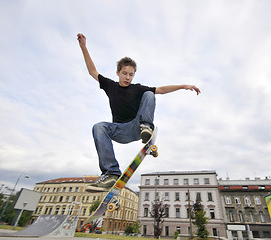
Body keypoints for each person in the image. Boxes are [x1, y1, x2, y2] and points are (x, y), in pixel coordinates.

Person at [77, 33, 201, 192]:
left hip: (138, 127)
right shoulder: (110, 86)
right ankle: (111, 173)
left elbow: (161, 90)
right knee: (98, 127)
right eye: (124, 73)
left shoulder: (137, 89)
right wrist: (83, 47)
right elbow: (92, 71)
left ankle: (146, 127)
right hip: (120, 130)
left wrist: (183, 86)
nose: (127, 77)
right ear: (118, 73)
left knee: (150, 93)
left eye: (131, 74)